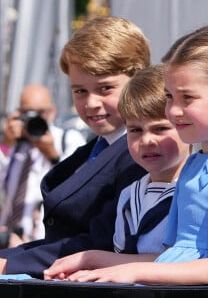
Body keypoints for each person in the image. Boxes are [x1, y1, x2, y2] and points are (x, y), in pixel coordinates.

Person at [55, 25, 208, 285]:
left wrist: (133, 272)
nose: (173, 110)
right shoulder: (196, 163)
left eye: (187, 98)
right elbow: (174, 258)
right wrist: (93, 260)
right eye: (170, 96)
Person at [0, 16, 150, 279]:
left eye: (105, 88)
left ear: (139, 81)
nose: (91, 103)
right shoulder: (97, 148)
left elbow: (101, 240)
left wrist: (11, 264)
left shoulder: (143, 154)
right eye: (80, 91)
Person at [43, 65, 191, 280]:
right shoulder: (130, 195)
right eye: (135, 130)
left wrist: (94, 261)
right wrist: (86, 263)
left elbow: (191, 261)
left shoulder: (197, 190)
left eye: (160, 128)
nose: (147, 140)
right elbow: (123, 256)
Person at [0, 84, 86, 246]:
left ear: (52, 112)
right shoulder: (13, 143)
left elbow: (78, 189)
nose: (33, 119)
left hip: (42, 242)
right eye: (26, 113)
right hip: (6, 239)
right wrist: (5, 146)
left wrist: (53, 156)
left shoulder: (67, 139)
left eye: (40, 113)